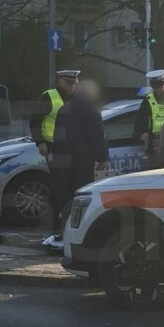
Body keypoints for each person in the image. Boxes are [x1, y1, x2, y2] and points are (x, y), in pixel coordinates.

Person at [46, 80, 108, 249]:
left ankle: (60, 230)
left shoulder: (64, 109)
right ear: (89, 94)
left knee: (64, 197)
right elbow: (97, 137)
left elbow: (58, 136)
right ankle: (79, 232)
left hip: (61, 159)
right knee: (81, 197)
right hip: (81, 161)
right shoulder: (91, 110)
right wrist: (102, 159)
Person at [29, 69, 79, 244]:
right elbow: (34, 122)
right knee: (59, 187)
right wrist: (40, 143)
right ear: (60, 81)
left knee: (70, 187)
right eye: (69, 82)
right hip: (53, 148)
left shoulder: (75, 98)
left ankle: (66, 225)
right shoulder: (49, 96)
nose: (72, 86)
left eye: (74, 83)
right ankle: (56, 227)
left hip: (70, 149)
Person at [132, 69, 164, 168]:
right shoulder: (148, 101)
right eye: (154, 87)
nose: (157, 89)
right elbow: (139, 125)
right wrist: (143, 135)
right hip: (155, 145)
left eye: (159, 86)